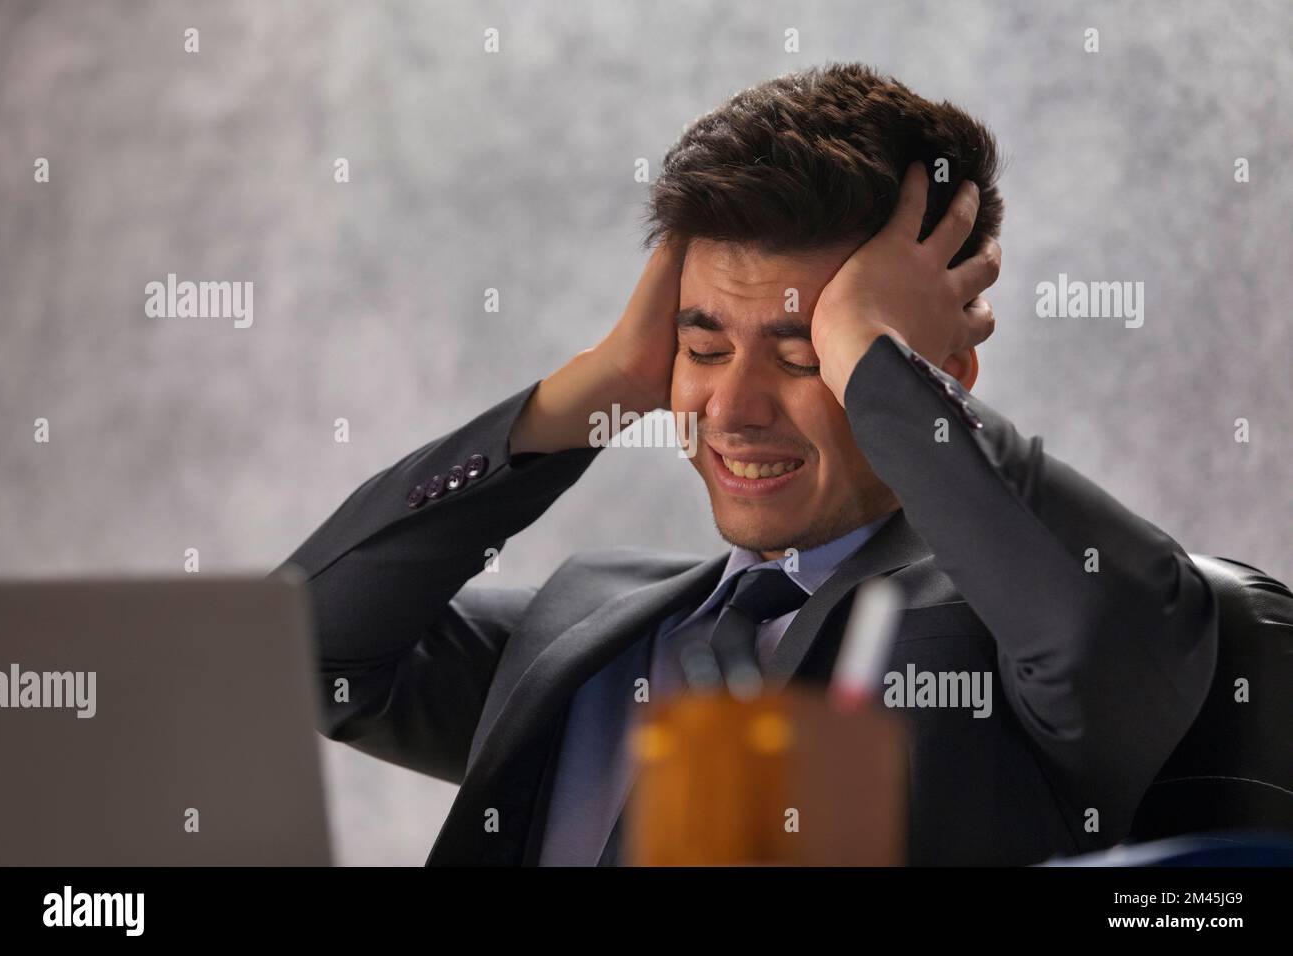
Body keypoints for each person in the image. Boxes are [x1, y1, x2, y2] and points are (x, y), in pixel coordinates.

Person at [275, 63, 1217, 865]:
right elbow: (295, 647)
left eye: (806, 355)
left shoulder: (1011, 648)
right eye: (704, 346)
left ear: (943, 378)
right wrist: (601, 384)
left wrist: (879, 362)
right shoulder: (586, 623)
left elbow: (1103, 634)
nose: (732, 410)